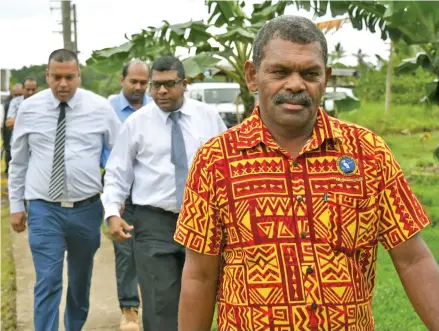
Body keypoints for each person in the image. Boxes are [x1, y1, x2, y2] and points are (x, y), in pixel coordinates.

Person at [175, 15, 439, 331]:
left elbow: (413, 259)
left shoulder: (368, 152)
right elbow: (199, 275)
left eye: (310, 73)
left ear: (325, 78)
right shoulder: (215, 160)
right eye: (280, 71)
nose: (296, 84)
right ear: (252, 75)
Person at [101, 55, 227, 331]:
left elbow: (228, 168)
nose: (160, 91)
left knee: (203, 299)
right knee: (160, 304)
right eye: (155, 85)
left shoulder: (208, 119)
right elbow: (117, 172)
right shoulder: (137, 123)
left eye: (169, 84)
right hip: (154, 223)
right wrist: (112, 212)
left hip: (202, 221)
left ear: (184, 84)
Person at [8, 49, 121, 331]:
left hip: (87, 209)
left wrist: (115, 202)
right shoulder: (29, 109)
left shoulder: (99, 108)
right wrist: (16, 206)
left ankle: (74, 326)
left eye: (69, 77)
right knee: (48, 279)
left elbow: (119, 156)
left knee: (81, 281)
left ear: (78, 76)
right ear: (47, 75)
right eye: (56, 77)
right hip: (44, 209)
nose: (62, 84)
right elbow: (18, 161)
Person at [100, 59, 152, 331]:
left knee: (154, 251)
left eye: (144, 83)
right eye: (133, 81)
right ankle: (129, 310)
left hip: (150, 194)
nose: (139, 87)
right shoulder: (107, 110)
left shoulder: (156, 109)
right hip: (121, 194)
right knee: (125, 253)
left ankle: (159, 307)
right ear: (122, 80)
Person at [2, 83, 23, 173]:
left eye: (20, 95)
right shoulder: (7, 103)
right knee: (8, 150)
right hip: (8, 131)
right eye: (16, 95)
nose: (17, 97)